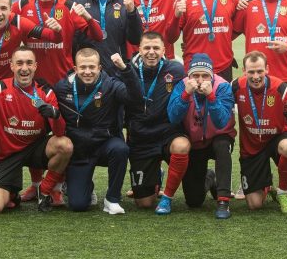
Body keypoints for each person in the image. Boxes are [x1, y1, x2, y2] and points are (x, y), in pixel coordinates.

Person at [0, 47, 73, 213]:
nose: (24, 68)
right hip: (7, 155)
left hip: (34, 148)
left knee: (65, 145)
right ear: (11, 66)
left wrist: (56, 115)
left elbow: (59, 132)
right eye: (19, 63)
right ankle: (11, 193)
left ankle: (45, 190)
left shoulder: (46, 93)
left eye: (29, 63)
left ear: (35, 66)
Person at [54, 48, 142, 214]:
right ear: (75, 68)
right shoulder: (62, 88)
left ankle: (112, 199)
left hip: (105, 144)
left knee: (120, 149)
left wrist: (126, 70)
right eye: (83, 67)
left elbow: (135, 99)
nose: (87, 71)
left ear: (99, 68)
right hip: (79, 151)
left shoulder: (111, 85)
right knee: (78, 205)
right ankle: (85, 185)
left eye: (92, 67)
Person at [231, 51, 287, 214]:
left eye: (260, 71)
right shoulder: (235, 86)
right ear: (244, 71)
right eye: (251, 72)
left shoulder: (280, 88)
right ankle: (267, 186)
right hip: (251, 147)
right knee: (254, 205)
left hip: (276, 139)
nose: (256, 76)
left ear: (267, 69)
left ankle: (282, 192)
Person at [124, 32, 188, 214]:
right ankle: (155, 175)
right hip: (141, 139)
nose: (151, 52)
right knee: (144, 203)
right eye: (147, 48)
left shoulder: (176, 70)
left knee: (182, 146)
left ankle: (168, 196)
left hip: (168, 134)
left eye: (156, 48)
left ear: (163, 50)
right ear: (139, 49)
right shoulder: (129, 71)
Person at [168, 53, 236, 219]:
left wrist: (211, 96)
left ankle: (223, 200)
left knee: (222, 146)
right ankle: (209, 178)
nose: (200, 80)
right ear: (189, 76)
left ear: (212, 76)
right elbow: (173, 117)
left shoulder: (222, 86)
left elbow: (221, 122)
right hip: (194, 141)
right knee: (193, 201)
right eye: (195, 75)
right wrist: (185, 95)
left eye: (205, 76)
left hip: (218, 137)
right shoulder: (182, 85)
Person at [11, 0, 103, 85]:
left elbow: (98, 37)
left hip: (63, 80)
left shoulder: (69, 6)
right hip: (31, 80)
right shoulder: (20, 5)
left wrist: (89, 18)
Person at [166, 0, 239, 81]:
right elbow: (170, 38)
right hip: (194, 69)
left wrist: (223, 38)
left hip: (223, 67)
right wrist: (176, 16)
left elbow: (238, 27)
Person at [72, 0, 142, 77]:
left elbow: (135, 39)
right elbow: (74, 36)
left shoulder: (124, 1)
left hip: (116, 67)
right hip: (87, 68)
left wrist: (132, 13)